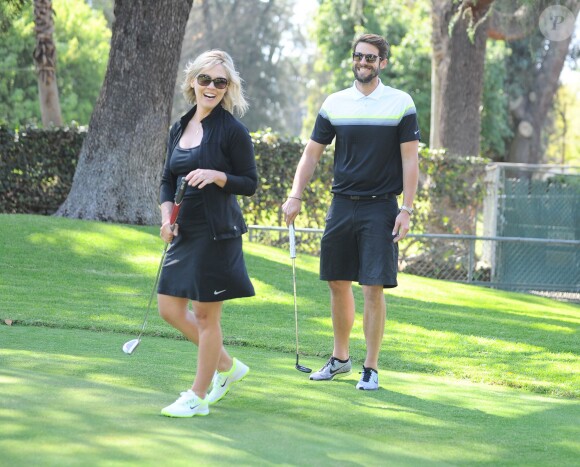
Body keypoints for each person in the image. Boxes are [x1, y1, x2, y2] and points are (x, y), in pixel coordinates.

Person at [282, 33, 419, 391]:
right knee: (337, 282)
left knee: (373, 287)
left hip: (381, 208)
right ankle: (340, 358)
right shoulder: (335, 103)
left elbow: (410, 159)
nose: (363, 62)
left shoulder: (401, 103)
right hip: (341, 204)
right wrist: (295, 195)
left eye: (371, 58)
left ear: (383, 63)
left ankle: (370, 368)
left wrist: (406, 208)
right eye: (359, 56)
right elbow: (311, 153)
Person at [157, 50, 257, 417]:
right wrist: (167, 217)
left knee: (205, 316)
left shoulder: (233, 131)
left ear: (228, 88)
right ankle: (228, 367)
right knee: (169, 308)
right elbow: (167, 179)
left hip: (218, 233)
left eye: (220, 82)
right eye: (205, 80)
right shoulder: (179, 126)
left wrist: (217, 176)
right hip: (184, 233)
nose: (212, 87)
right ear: (192, 81)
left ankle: (198, 397)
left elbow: (250, 183)